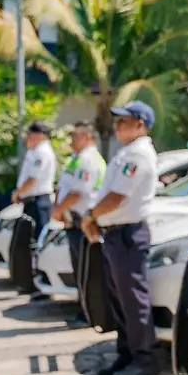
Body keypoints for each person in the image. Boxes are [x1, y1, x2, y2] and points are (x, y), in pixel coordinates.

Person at [81, 102, 159, 375]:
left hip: (127, 234)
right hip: (116, 233)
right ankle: (127, 353)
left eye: (123, 121)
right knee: (120, 299)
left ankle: (144, 357)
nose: (117, 126)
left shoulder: (137, 154)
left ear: (140, 123)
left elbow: (116, 197)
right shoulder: (127, 152)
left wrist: (91, 216)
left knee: (133, 300)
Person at [51, 121, 107, 326]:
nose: (71, 140)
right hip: (73, 221)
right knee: (79, 269)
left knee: (87, 270)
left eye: (74, 136)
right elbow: (63, 187)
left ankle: (89, 314)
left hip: (85, 223)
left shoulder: (88, 160)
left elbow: (78, 193)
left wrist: (58, 210)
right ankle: (83, 309)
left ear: (87, 137)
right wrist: (59, 209)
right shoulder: (75, 159)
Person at [13, 121, 57, 240]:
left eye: (29, 134)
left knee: (36, 238)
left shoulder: (42, 152)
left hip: (38, 201)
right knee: (29, 239)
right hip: (32, 201)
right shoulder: (35, 151)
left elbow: (32, 179)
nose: (26, 137)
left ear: (39, 135)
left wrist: (18, 193)